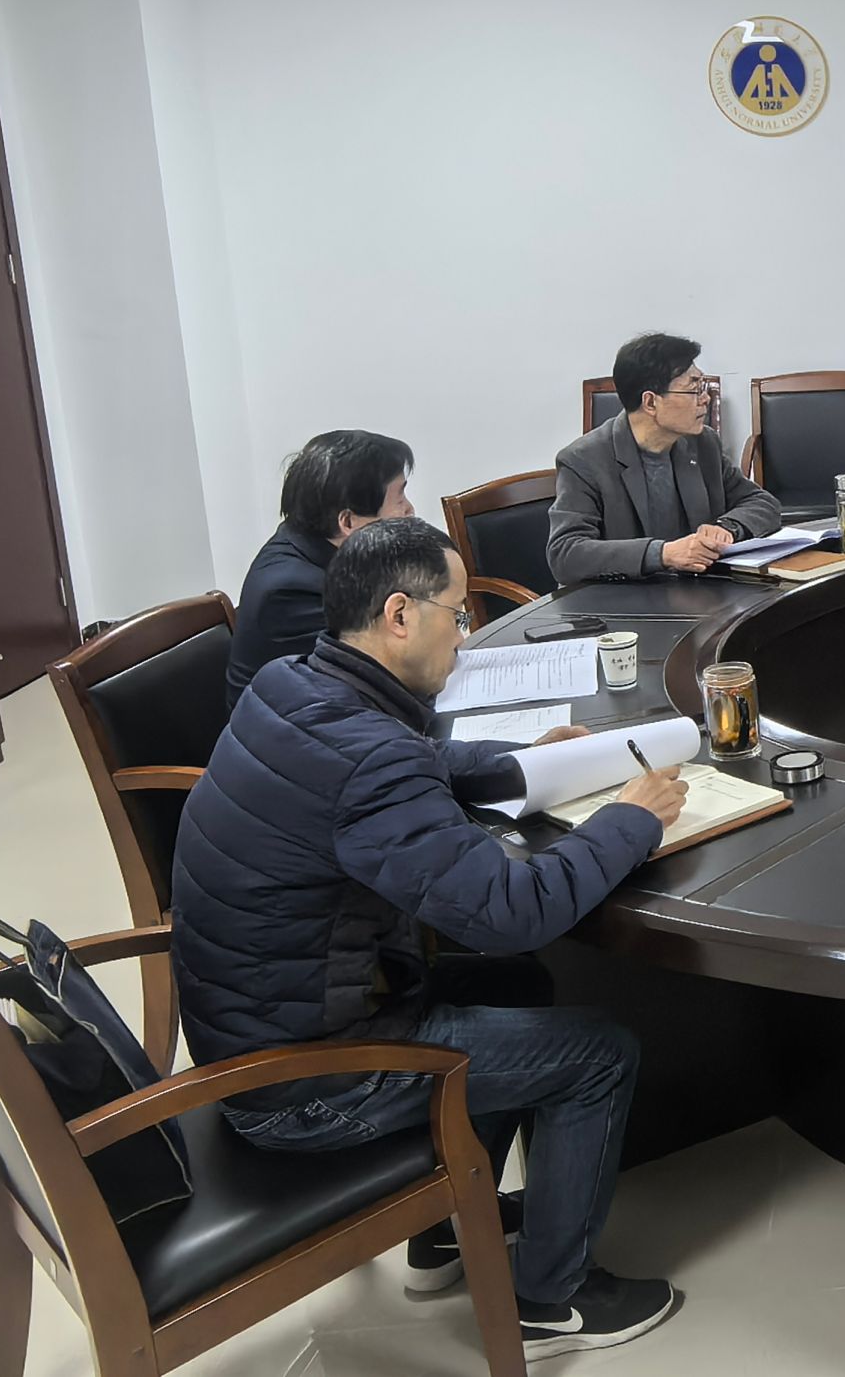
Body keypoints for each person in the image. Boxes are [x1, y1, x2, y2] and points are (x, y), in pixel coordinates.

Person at [174, 518, 689, 1356]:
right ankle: (553, 1298)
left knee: (520, 985)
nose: (465, 633)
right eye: (457, 613)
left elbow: (423, 758)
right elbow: (513, 909)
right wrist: (630, 820)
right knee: (600, 1052)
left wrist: (528, 760)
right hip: (302, 1083)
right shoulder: (369, 759)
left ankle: (448, 1225)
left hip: (256, 1028)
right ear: (399, 615)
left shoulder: (289, 685)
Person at [548, 332, 780, 585]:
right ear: (650, 402)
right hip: (623, 599)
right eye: (694, 389)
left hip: (697, 592)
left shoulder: (703, 444)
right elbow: (565, 554)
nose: (705, 399)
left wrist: (727, 527)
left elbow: (762, 502)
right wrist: (663, 554)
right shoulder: (583, 460)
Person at [226, 429, 413, 702]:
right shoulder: (290, 591)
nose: (409, 510)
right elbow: (389, 665)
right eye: (399, 499)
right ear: (348, 522)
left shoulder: (331, 552)